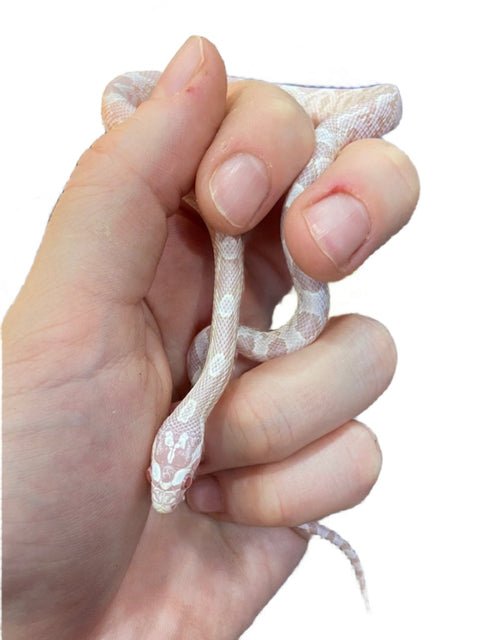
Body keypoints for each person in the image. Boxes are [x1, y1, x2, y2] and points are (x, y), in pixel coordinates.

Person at [2, 37, 419, 639]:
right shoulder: (205, 359)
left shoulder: (207, 357)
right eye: (171, 473)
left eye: (161, 475)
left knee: (253, 210)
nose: (166, 489)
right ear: (181, 449)